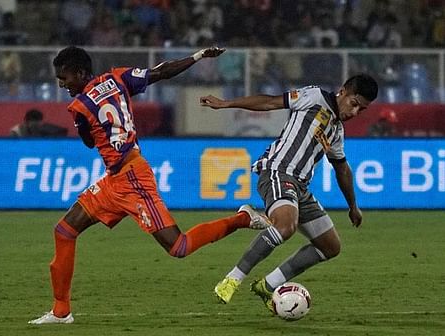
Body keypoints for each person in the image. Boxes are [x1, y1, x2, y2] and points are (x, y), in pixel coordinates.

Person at [28, 46, 271, 324]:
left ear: (81, 73)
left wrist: (87, 127)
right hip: (114, 180)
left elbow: (89, 142)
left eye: (65, 78)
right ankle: (61, 312)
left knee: (178, 247)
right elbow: (161, 72)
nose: (61, 84)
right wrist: (198, 56)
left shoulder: (79, 106)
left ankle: (243, 218)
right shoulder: (118, 78)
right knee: (64, 231)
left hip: (133, 180)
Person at [200, 74, 378, 313]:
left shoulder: (336, 131)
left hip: (299, 188)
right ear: (343, 91)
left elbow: (342, 169)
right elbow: (271, 102)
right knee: (286, 225)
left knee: (330, 246)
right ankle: (233, 278)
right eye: (354, 103)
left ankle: (268, 285)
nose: (355, 112)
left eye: (362, 110)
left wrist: (353, 206)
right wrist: (227, 103)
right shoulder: (314, 97)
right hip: (277, 172)